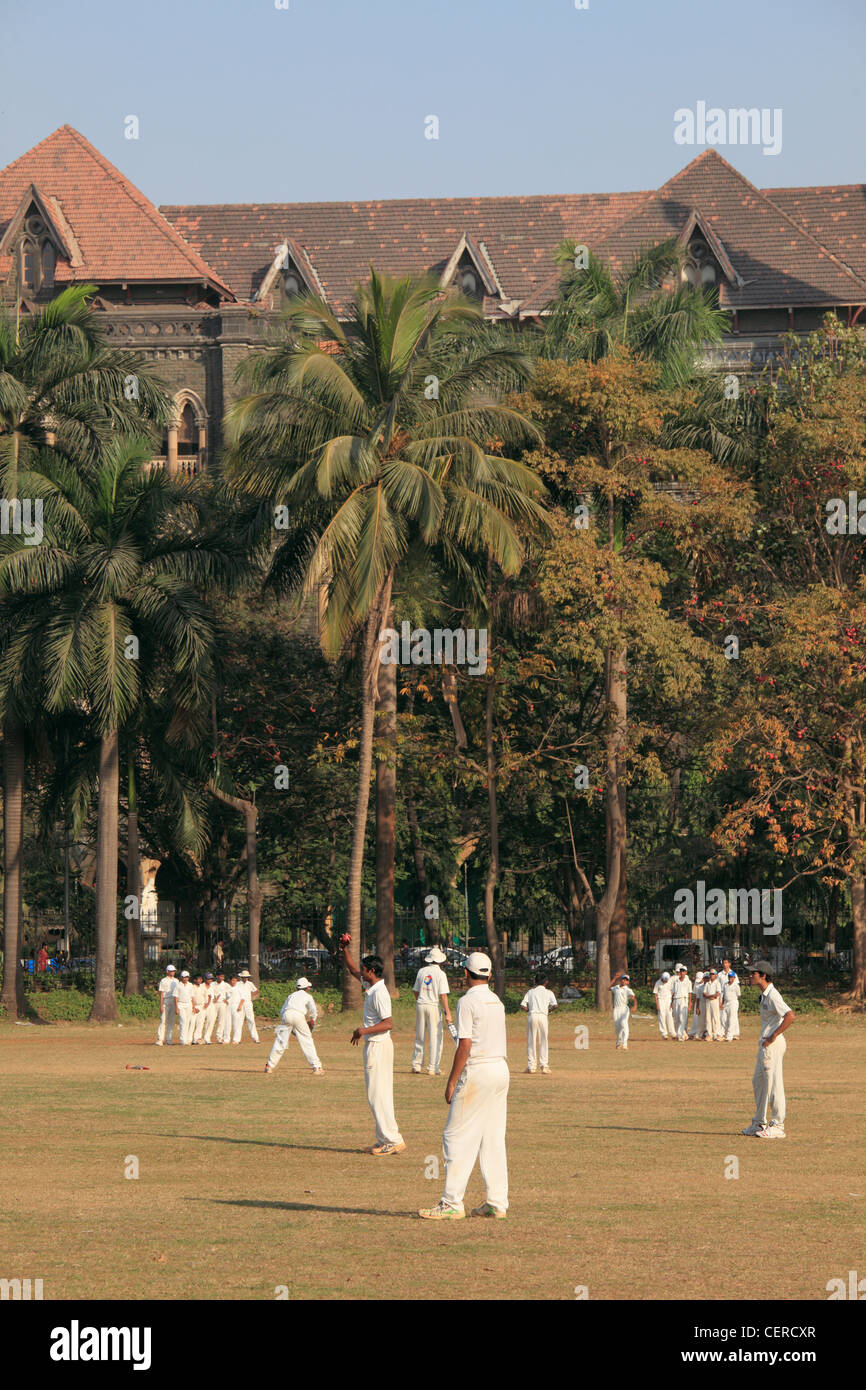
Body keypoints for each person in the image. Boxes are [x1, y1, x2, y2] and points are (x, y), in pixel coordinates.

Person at [419, 951, 509, 1221]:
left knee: (454, 1135)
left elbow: (465, 1045)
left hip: (478, 1071)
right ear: (489, 975)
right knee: (492, 1139)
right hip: (500, 1070)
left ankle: (451, 1202)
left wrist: (451, 1080)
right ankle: (497, 1202)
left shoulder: (467, 1001)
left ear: (466, 974)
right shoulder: (497, 1001)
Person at [339, 939, 405, 1156]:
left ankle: (392, 1140)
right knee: (379, 1093)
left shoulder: (380, 993)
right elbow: (352, 969)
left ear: (372, 972)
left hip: (378, 1046)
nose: (362, 972)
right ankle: (384, 1138)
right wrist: (344, 948)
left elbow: (388, 1023)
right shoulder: (371, 985)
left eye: (365, 970)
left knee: (377, 1094)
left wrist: (362, 1031)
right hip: (375, 1045)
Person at [741, 960, 794, 1139]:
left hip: (772, 1045)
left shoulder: (773, 995)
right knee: (759, 1083)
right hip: (765, 1045)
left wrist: (773, 1036)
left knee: (774, 1085)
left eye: (753, 973)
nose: (750, 976)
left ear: (763, 975)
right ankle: (759, 1122)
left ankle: (778, 1125)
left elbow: (790, 1016)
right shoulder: (764, 995)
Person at [265, 976, 323, 1075]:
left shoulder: (291, 995)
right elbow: (313, 1010)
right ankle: (316, 1067)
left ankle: (269, 1066)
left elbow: (282, 1010)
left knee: (280, 1041)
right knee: (307, 1041)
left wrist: (287, 1023)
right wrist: (313, 1019)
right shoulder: (308, 996)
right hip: (299, 1015)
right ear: (307, 988)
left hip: (286, 1015)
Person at [411, 946, 452, 1076]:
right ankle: (432, 1067)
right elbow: (443, 995)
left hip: (421, 1004)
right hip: (433, 1005)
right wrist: (448, 1013)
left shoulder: (421, 971)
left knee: (420, 1035)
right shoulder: (441, 974)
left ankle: (417, 1065)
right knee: (435, 1036)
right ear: (440, 961)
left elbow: (415, 991)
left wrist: (421, 1000)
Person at [520, 972, 558, 1073]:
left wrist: (529, 1010)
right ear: (546, 982)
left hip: (532, 1016)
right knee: (543, 1040)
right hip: (543, 1016)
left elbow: (523, 1005)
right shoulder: (549, 992)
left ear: (535, 981)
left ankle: (532, 1067)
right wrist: (548, 1011)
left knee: (531, 1041)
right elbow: (555, 1005)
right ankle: (544, 1066)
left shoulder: (531, 992)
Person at [610, 971, 637, 1050]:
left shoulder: (628, 989)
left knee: (624, 1024)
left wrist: (635, 1005)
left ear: (628, 982)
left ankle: (625, 1044)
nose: (624, 981)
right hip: (616, 1010)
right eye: (623, 979)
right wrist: (614, 978)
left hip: (624, 1009)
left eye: (626, 980)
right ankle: (619, 1042)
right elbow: (608, 988)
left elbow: (634, 997)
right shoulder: (616, 987)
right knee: (617, 1028)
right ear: (620, 980)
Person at [233, 968, 260, 1043]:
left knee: (251, 1020)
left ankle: (256, 1038)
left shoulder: (250, 984)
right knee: (239, 1021)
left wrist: (250, 996)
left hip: (248, 1003)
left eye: (246, 977)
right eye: (244, 977)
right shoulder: (238, 984)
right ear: (241, 977)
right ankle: (236, 1039)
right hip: (240, 1003)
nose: (245, 978)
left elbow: (256, 990)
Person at [156, 963, 178, 1045]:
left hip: (173, 1001)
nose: (173, 972)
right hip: (166, 1000)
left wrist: (177, 1006)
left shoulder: (176, 981)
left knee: (172, 1021)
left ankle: (169, 1039)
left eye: (174, 971)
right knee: (163, 1020)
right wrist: (161, 1005)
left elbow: (177, 994)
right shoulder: (163, 980)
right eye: (171, 971)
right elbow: (162, 994)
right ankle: (160, 1039)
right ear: (167, 971)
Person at [702, 967, 724, 1042]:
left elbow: (717, 994)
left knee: (716, 1018)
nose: (711, 976)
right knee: (708, 1018)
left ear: (716, 975)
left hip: (715, 1002)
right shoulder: (707, 983)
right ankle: (709, 1034)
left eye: (713, 974)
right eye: (711, 974)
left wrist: (709, 996)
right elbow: (704, 994)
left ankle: (717, 1034)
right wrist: (710, 996)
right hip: (708, 1002)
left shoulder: (717, 983)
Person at [671, 965, 692, 1041]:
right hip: (676, 999)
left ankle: (680, 1035)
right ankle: (682, 1034)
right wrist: (671, 1002)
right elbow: (673, 992)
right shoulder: (676, 981)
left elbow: (690, 993)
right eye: (681, 971)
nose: (682, 973)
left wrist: (690, 1003)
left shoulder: (688, 982)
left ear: (686, 972)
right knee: (676, 1018)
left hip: (684, 999)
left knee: (682, 1018)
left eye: (683, 971)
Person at [652, 970, 675, 1039]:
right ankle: (664, 1034)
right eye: (664, 980)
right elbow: (655, 994)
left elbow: (672, 991)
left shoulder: (670, 982)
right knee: (661, 1017)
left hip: (668, 1000)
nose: (665, 981)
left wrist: (672, 1002)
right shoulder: (658, 983)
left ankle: (672, 1033)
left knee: (669, 1016)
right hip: (661, 1000)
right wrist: (657, 1004)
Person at [210, 971, 231, 1044]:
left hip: (222, 1004)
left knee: (221, 1021)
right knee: (211, 1020)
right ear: (217, 976)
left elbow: (230, 994)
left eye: (223, 976)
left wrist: (227, 1000)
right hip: (213, 1004)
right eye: (220, 976)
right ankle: (207, 1037)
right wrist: (213, 999)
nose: (221, 978)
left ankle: (219, 1037)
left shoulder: (226, 985)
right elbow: (210, 992)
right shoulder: (212, 984)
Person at [174, 970, 194, 1045]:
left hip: (188, 1004)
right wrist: (176, 1007)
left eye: (187, 977)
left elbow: (192, 996)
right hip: (180, 1004)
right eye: (184, 977)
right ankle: (182, 1040)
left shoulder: (190, 985)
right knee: (183, 1021)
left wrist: (193, 1006)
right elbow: (175, 997)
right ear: (181, 977)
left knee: (188, 1022)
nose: (185, 978)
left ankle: (187, 1039)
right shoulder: (178, 985)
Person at [722, 970, 741, 1040]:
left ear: (734, 978)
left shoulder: (736, 986)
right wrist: (722, 1003)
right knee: (723, 1018)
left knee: (731, 1019)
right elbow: (723, 995)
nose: (730, 978)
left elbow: (738, 995)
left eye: (732, 977)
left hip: (733, 1002)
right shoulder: (725, 985)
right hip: (726, 1003)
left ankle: (729, 1036)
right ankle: (727, 1033)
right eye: (729, 977)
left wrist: (733, 999)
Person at [190, 974, 208, 1044]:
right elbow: (191, 998)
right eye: (199, 979)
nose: (200, 980)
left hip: (202, 1006)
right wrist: (193, 1007)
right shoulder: (192, 987)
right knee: (192, 1023)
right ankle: (190, 1039)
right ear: (195, 980)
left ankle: (197, 1039)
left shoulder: (202, 987)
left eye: (201, 979)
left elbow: (206, 996)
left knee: (200, 1023)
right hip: (194, 1006)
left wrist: (206, 1003)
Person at [687, 970, 705, 1039]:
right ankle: (694, 1032)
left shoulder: (706, 983)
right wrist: (693, 1004)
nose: (698, 981)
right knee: (696, 1018)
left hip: (703, 1002)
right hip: (697, 1003)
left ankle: (702, 1032)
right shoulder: (696, 983)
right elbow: (694, 994)